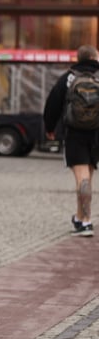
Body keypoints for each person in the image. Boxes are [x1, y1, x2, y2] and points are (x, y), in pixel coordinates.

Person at [43, 44, 99, 237]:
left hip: (74, 133)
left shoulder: (69, 77)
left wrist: (50, 128)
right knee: (88, 177)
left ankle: (86, 222)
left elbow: (52, 104)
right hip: (96, 134)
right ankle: (81, 217)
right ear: (94, 57)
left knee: (81, 177)